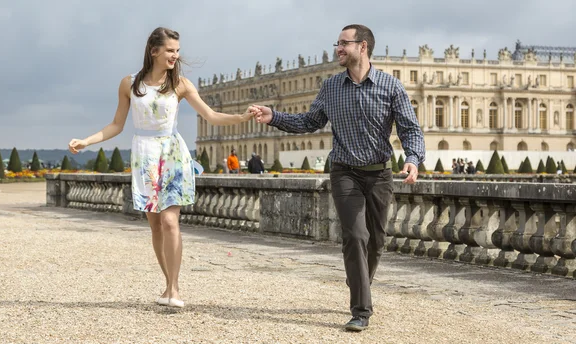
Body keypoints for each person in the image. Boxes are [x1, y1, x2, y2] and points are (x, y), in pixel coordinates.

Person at [251, 24, 425, 332]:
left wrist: (412, 159)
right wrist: (274, 116)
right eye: (337, 44)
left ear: (363, 46)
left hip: (379, 174)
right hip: (344, 172)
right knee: (355, 237)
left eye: (344, 44)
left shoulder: (390, 86)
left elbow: (410, 129)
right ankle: (361, 309)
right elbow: (309, 121)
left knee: (376, 241)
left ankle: (358, 281)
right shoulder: (331, 87)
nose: (338, 49)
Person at [68, 27, 253, 308]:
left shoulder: (181, 84)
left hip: (172, 153)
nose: (175, 56)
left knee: (169, 221)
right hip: (144, 155)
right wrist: (86, 141)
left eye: (177, 51)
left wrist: (241, 117)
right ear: (154, 51)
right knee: (155, 226)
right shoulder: (129, 84)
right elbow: (117, 125)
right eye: (170, 50)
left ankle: (175, 289)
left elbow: (211, 116)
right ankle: (167, 283)